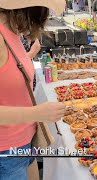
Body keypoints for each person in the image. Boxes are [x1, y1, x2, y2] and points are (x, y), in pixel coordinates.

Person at [0, 1, 66, 180]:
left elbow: (8, 71)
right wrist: (36, 113)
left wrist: (29, 55)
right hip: (6, 152)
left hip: (26, 142)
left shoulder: (11, 32)